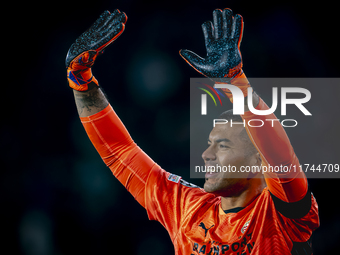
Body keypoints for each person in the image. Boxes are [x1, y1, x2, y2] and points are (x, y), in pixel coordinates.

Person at [65, 8, 319, 254]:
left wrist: (235, 81)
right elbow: (120, 151)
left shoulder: (280, 212)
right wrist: (81, 83)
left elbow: (281, 160)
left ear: (257, 161)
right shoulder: (185, 208)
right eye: (209, 143)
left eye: (223, 145)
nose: (206, 154)